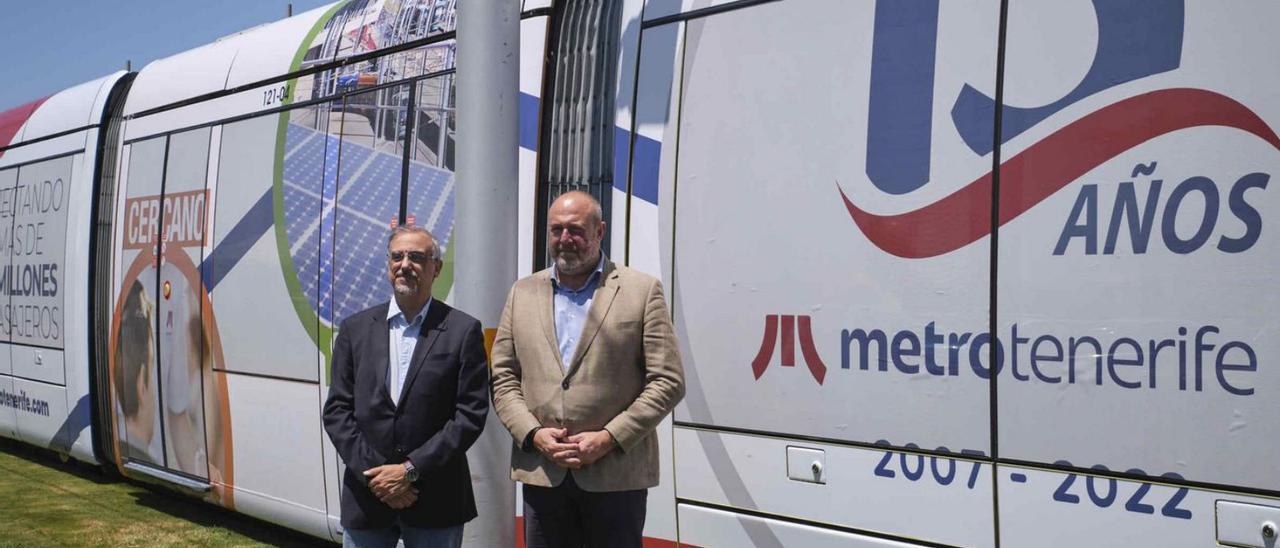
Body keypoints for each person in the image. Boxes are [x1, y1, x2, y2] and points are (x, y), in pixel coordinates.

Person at [491, 191, 685, 548]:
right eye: (556, 230)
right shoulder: (523, 292)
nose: (565, 240)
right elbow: (503, 378)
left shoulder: (641, 291)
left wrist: (609, 438)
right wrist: (534, 434)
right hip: (543, 474)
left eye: (576, 230)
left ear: (600, 231)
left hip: (615, 478)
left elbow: (668, 381)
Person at [323, 225, 489, 548]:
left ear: (435, 268)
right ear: (388, 265)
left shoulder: (462, 331)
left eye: (416, 257)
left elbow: (469, 415)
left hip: (437, 501)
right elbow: (337, 412)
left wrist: (410, 471)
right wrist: (378, 476)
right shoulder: (354, 330)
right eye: (397, 256)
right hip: (367, 499)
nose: (405, 264)